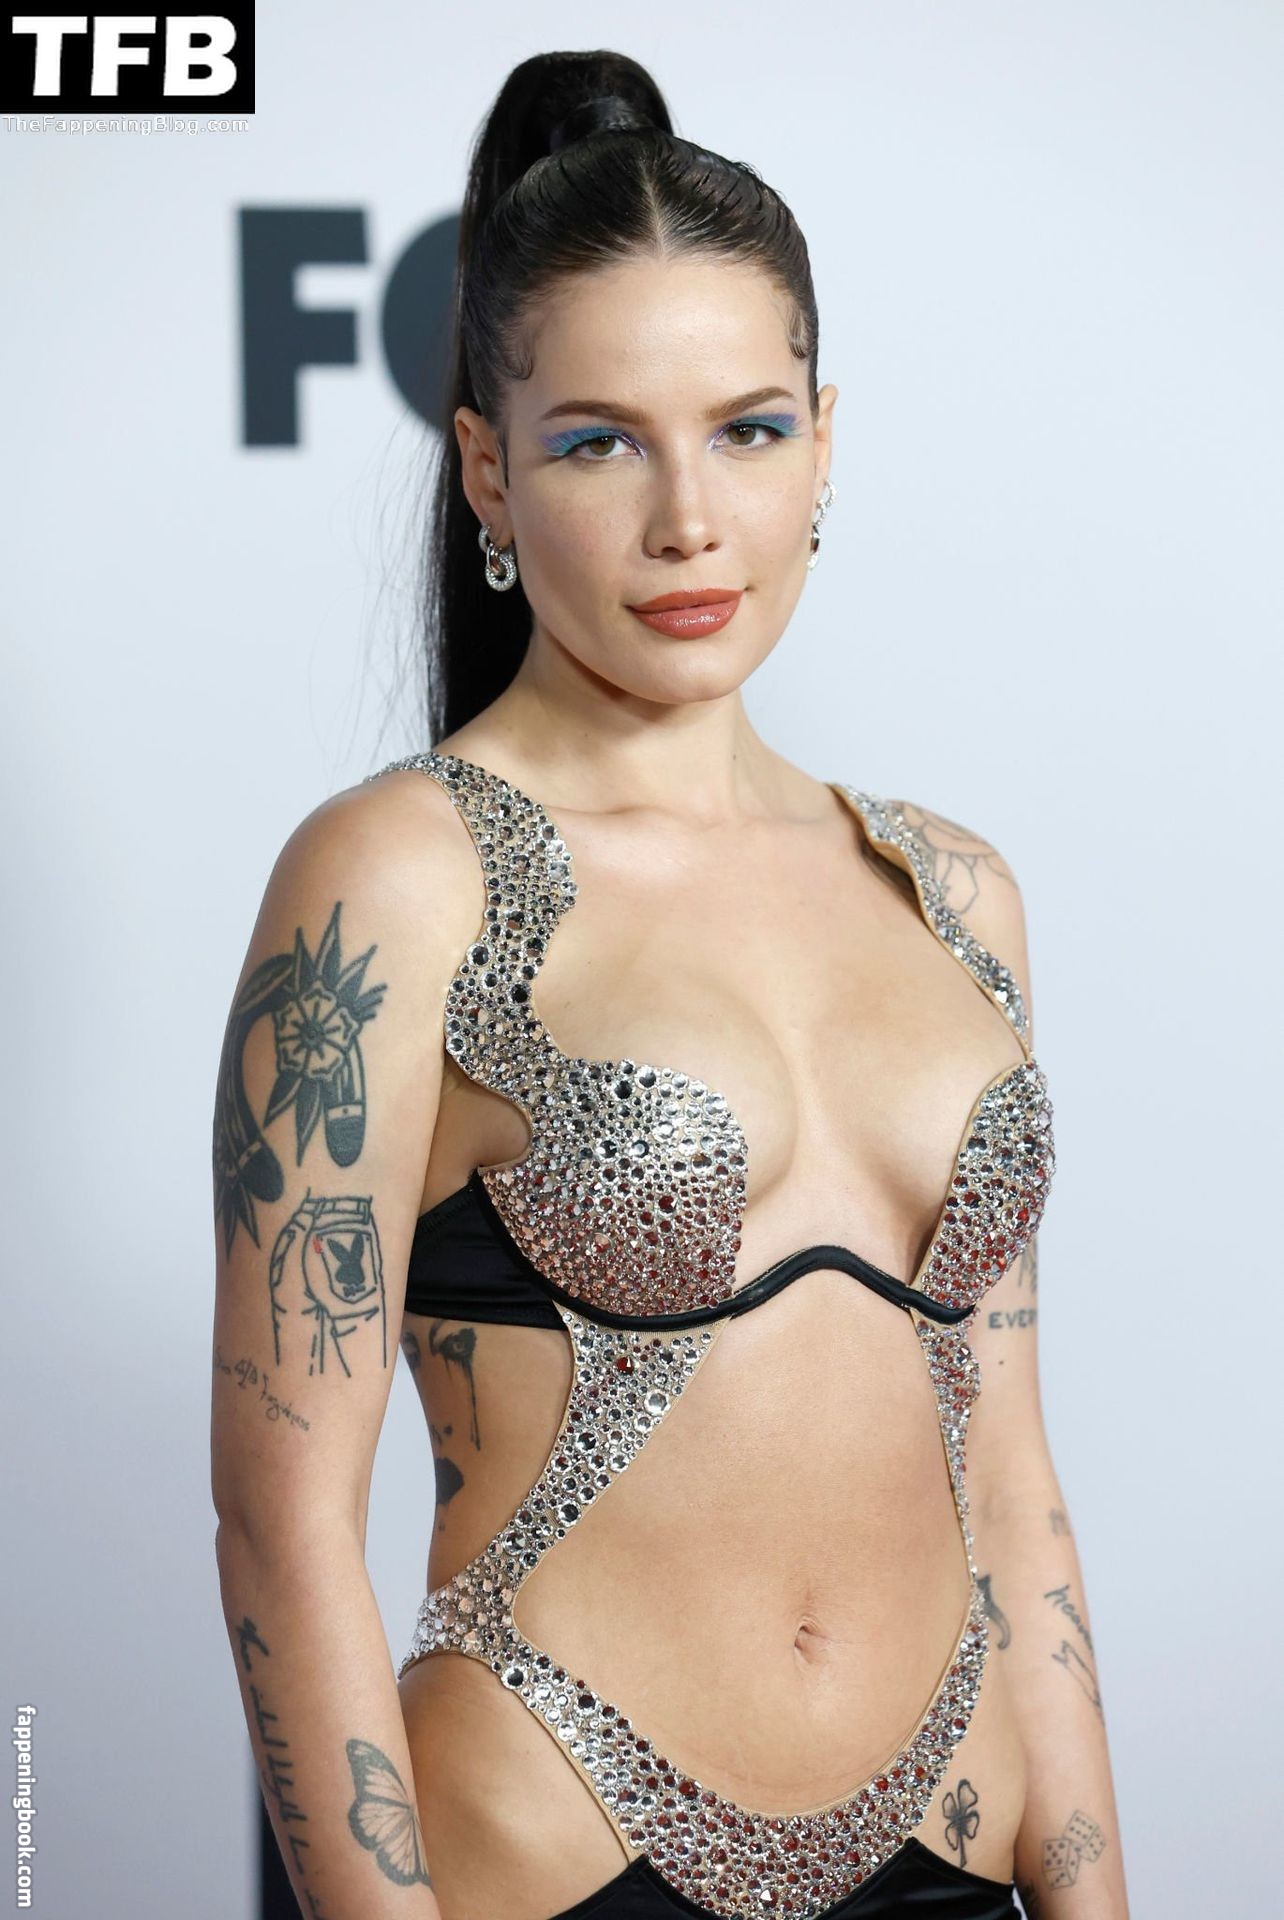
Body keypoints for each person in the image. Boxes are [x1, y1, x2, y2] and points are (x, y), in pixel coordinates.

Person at [210, 47, 1130, 1920]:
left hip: (960, 1853)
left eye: (750, 429)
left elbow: (1013, 1482)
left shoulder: (954, 893)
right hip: (557, 1860)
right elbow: (283, 1518)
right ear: (488, 467)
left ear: (826, 441)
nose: (689, 518)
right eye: (600, 442)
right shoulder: (399, 878)